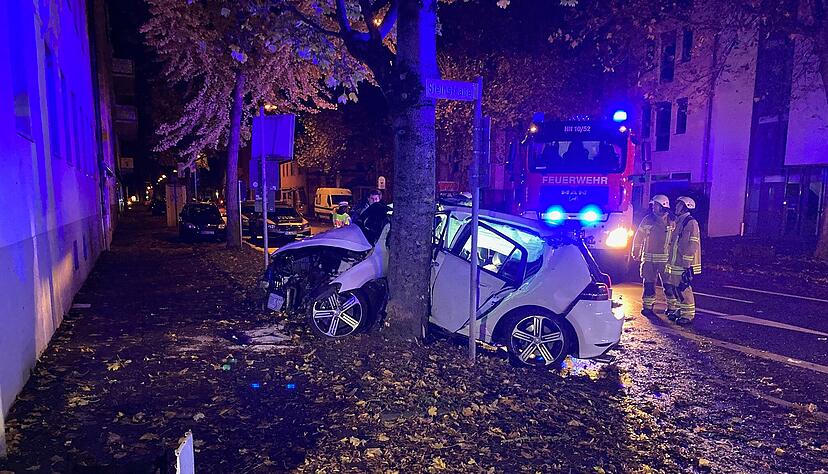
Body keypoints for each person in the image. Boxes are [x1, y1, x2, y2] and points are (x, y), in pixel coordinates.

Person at [631, 195, 674, 318]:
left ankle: (672, 308)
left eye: (655, 205)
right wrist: (636, 250)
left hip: (665, 260)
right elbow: (639, 236)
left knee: (668, 285)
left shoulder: (672, 220)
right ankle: (648, 307)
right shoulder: (647, 219)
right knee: (648, 284)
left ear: (662, 206)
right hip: (648, 259)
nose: (653, 207)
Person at [665, 196, 702, 325]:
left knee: (683, 288)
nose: (677, 207)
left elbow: (693, 244)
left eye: (679, 205)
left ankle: (688, 314)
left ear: (686, 207)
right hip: (675, 262)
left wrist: (687, 263)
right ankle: (680, 310)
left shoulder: (691, 223)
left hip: (683, 263)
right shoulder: (680, 221)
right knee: (675, 287)